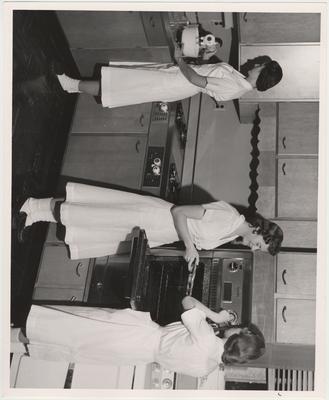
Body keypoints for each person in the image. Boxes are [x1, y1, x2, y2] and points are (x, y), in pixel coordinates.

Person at [19, 182, 283, 269]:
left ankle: (39, 214)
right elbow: (179, 212)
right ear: (260, 231)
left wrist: (192, 249)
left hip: (158, 232)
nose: (254, 248)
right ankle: (35, 205)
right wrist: (190, 246)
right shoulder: (228, 217)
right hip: (155, 217)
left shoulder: (230, 233)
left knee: (96, 222)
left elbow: (193, 235)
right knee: (97, 210)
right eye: (259, 245)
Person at [21, 296, 265, 377]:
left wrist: (217, 316)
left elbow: (187, 301)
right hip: (136, 355)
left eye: (240, 328)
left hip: (136, 335)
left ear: (238, 336)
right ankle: (14, 343)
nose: (237, 325)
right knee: (74, 345)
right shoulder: (208, 368)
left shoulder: (208, 339)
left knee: (71, 326)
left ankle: (18, 332)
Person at [54, 48, 283, 108]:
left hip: (177, 82)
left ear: (263, 74)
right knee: (125, 79)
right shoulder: (239, 79)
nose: (256, 64)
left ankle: (71, 85)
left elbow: (197, 81)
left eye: (260, 65)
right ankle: (75, 88)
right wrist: (206, 57)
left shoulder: (236, 86)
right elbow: (205, 73)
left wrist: (180, 59)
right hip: (177, 78)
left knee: (122, 85)